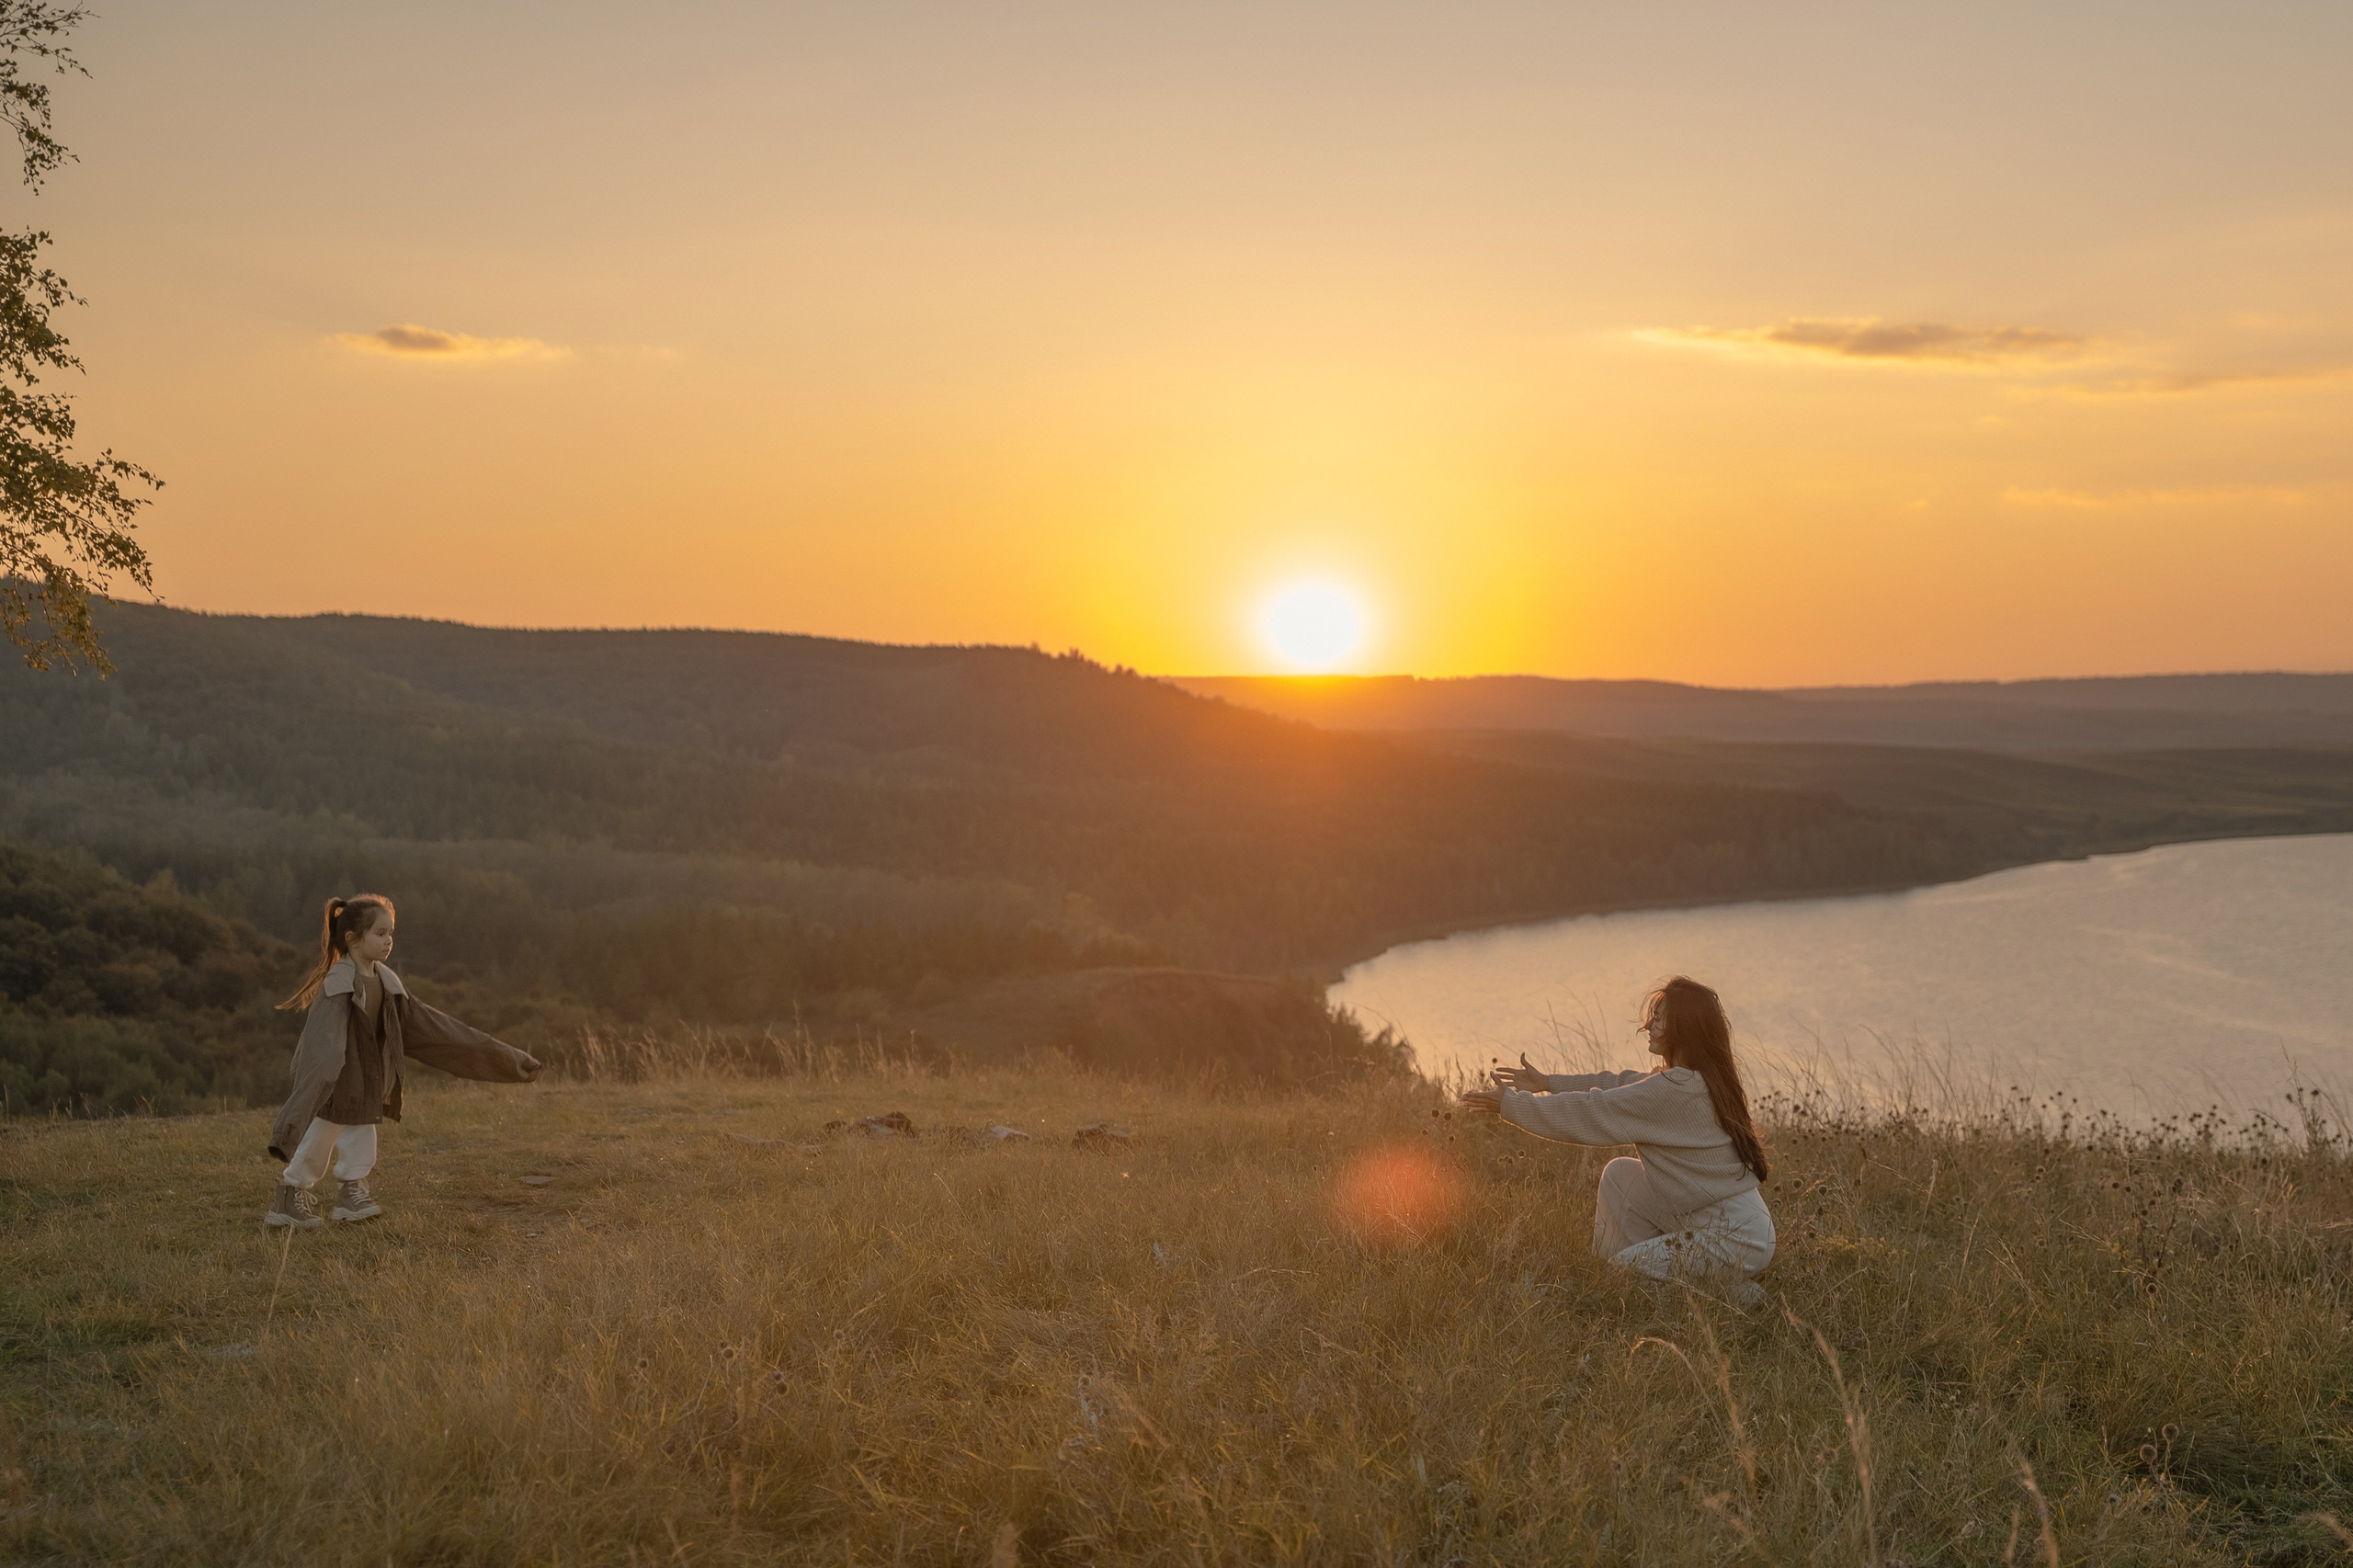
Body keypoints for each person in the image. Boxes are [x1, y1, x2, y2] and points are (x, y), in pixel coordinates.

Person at [1460, 975, 1774, 1294]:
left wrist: (1512, 1105)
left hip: (1735, 1237)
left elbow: (1593, 1110)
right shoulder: (1686, 1080)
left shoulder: (1676, 1089)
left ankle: (1735, 1295)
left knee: (1624, 1273)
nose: (1649, 1025)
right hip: (1720, 1223)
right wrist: (1548, 1083)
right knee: (1620, 1175)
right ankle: (1642, 1274)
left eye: (1660, 1019)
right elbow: (1619, 1083)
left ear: (1683, 1028)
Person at [264, 894, 543, 1228]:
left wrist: (511, 1061)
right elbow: (322, 1053)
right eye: (380, 934)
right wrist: (293, 1123)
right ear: (352, 939)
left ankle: (351, 1196)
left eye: (390, 933)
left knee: (362, 1138)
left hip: (366, 1083)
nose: (389, 941)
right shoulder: (337, 987)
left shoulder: (388, 984)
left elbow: (442, 1033)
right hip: (331, 1084)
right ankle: (289, 1198)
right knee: (319, 1140)